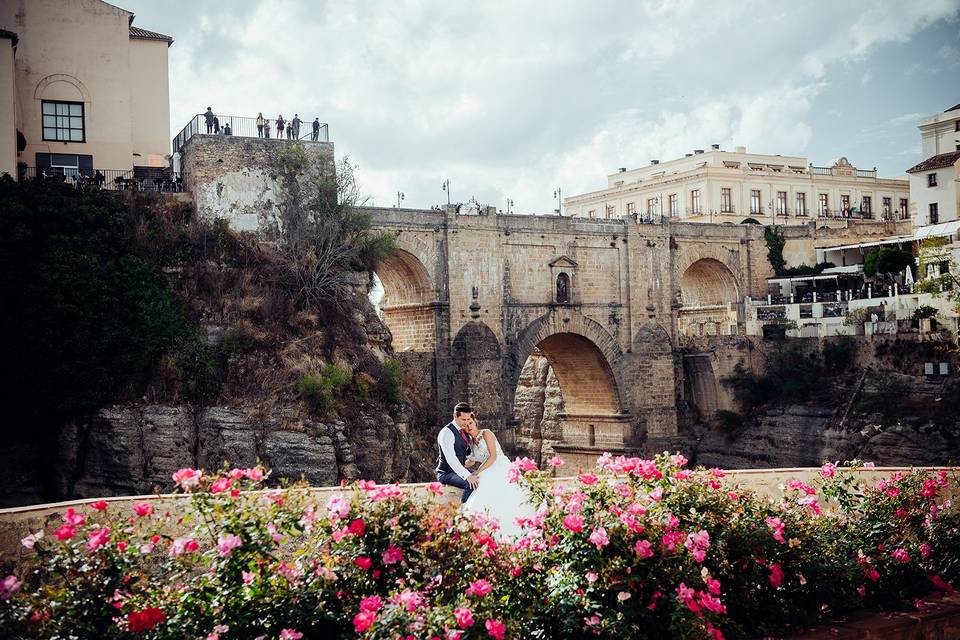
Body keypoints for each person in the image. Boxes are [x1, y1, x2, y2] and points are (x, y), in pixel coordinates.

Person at [462, 417, 536, 539]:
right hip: (486, 469)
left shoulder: (486, 433)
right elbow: (471, 461)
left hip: (499, 465)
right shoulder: (471, 442)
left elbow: (493, 456)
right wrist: (454, 463)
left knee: (506, 496)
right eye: (465, 425)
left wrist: (478, 471)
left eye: (470, 423)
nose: (469, 426)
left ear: (475, 422)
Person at [436, 402, 480, 503]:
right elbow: (451, 459)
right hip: (446, 473)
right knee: (470, 484)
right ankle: (462, 513)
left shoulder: (463, 431)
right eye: (463, 419)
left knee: (483, 479)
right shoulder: (446, 432)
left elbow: (465, 458)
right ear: (455, 416)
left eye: (468, 419)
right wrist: (468, 476)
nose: (466, 423)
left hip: (458, 471)